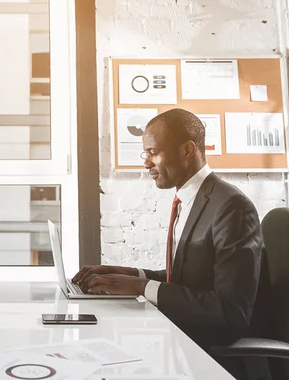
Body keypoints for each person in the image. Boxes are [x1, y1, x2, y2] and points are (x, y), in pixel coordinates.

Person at [73, 108, 263, 349]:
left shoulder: (231, 207)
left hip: (206, 350)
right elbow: (189, 280)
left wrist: (142, 287)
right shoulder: (190, 199)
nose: (146, 163)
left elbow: (231, 310)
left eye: (153, 152)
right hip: (179, 336)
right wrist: (129, 274)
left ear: (187, 150)